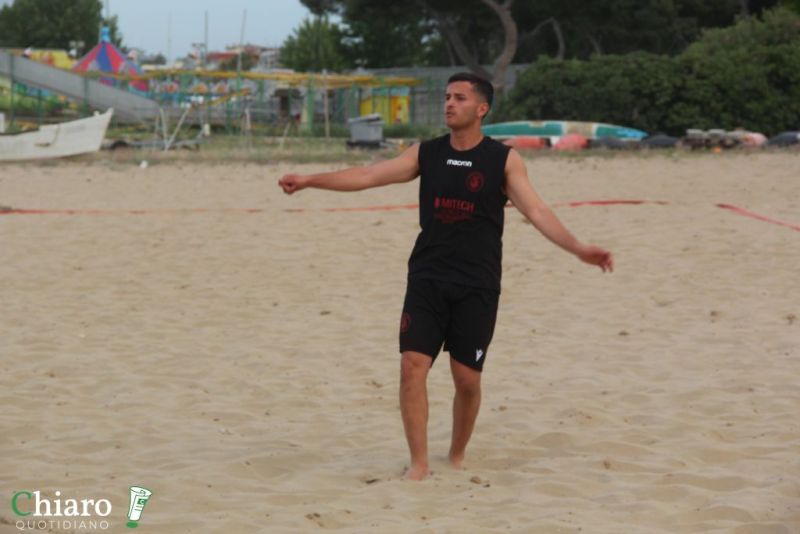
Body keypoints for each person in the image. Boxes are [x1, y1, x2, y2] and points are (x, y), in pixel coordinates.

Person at [279, 72, 614, 481]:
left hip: (477, 283)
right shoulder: (427, 153)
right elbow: (368, 176)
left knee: (466, 379)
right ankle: (419, 463)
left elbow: (538, 212)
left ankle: (456, 454)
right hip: (427, 278)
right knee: (411, 365)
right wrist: (311, 181)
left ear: (481, 108)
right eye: (447, 97)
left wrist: (578, 249)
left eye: (459, 98)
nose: (449, 104)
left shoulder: (504, 159)